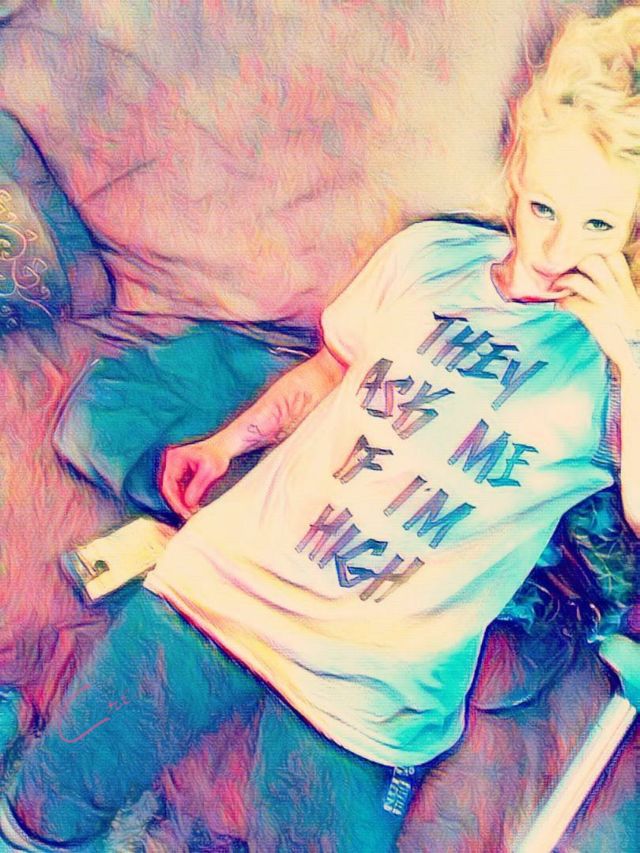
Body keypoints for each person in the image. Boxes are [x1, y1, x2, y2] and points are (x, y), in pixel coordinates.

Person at [2, 6, 640, 852]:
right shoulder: (430, 257)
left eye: (597, 226)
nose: (553, 251)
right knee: (40, 811)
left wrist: (631, 352)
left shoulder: (613, 364)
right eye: (544, 206)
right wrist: (230, 441)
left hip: (369, 691)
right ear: (518, 168)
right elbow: (331, 368)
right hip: (226, 582)